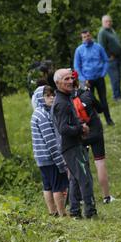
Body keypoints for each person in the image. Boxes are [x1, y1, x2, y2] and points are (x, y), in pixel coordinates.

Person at [52, 68, 98, 219]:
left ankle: (75, 212)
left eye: (71, 78)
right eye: (66, 79)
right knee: (85, 179)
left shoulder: (66, 98)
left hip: (73, 144)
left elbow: (70, 122)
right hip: (70, 146)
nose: (71, 81)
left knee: (75, 179)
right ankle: (90, 213)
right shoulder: (61, 103)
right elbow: (63, 128)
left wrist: (79, 125)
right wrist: (80, 128)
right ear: (58, 83)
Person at [71, 70, 115, 204]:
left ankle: (86, 199)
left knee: (84, 166)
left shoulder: (67, 100)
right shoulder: (87, 94)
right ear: (78, 81)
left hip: (80, 134)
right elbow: (101, 108)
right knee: (100, 163)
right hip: (95, 132)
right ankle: (106, 197)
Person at [31, 85, 68, 217]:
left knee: (47, 185)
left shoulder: (41, 112)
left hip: (41, 158)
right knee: (57, 186)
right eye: (47, 96)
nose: (52, 97)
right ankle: (62, 214)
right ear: (40, 98)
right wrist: (59, 160)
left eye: (53, 95)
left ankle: (53, 212)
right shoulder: (42, 115)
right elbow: (50, 141)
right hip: (49, 157)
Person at [74, 29, 115, 126]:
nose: (87, 38)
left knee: (103, 100)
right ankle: (94, 122)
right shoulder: (79, 50)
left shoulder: (98, 47)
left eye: (88, 36)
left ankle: (109, 120)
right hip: (87, 81)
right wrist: (83, 79)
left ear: (90, 36)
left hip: (99, 78)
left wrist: (103, 73)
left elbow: (105, 60)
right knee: (89, 102)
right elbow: (77, 66)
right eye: (84, 37)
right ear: (82, 38)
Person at [98, 15, 121, 102]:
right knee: (115, 78)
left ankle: (119, 95)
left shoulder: (111, 30)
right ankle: (116, 97)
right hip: (111, 60)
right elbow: (102, 47)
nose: (108, 23)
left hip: (117, 58)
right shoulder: (102, 32)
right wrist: (108, 56)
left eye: (110, 21)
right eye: (106, 21)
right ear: (102, 23)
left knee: (119, 77)